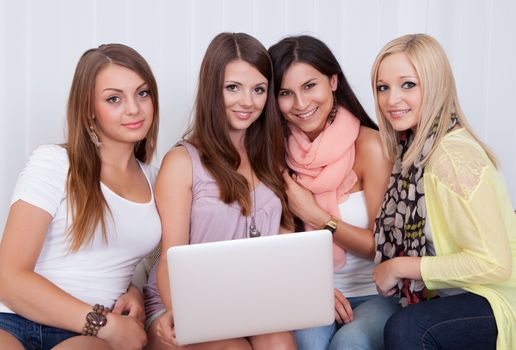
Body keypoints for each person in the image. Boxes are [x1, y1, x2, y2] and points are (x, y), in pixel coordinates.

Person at [0, 43, 161, 350]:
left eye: (142, 93)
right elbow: (8, 277)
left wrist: (134, 290)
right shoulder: (55, 163)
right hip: (13, 318)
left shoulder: (157, 180)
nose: (133, 108)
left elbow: (118, 254)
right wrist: (104, 323)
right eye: (114, 98)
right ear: (89, 108)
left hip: (85, 338)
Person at [143, 32, 296, 350]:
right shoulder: (182, 162)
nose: (247, 102)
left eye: (258, 90)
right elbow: (171, 259)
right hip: (182, 304)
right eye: (233, 88)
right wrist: (179, 314)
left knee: (279, 342)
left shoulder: (270, 160)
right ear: (213, 89)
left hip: (248, 302)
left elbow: (283, 252)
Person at [371, 33, 516, 349]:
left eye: (408, 84)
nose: (391, 99)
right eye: (383, 87)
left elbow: (494, 263)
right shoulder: (413, 151)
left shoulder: (451, 155)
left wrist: (399, 267)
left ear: (435, 86)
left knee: (409, 329)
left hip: (500, 295)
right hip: (459, 293)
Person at [268, 35, 399, 350]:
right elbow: (280, 249)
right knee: (306, 342)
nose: (301, 104)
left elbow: (383, 246)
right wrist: (315, 289)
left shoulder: (371, 146)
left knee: (350, 344)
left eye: (310, 86)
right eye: (286, 93)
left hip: (375, 292)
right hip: (311, 292)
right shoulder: (273, 152)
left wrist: (316, 215)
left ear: (333, 81)